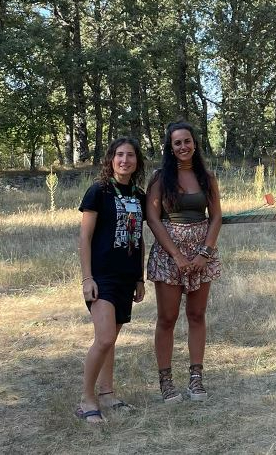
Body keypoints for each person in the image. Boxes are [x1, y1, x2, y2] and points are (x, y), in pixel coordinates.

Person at [146, 121, 223, 402]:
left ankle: (196, 378)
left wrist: (205, 253)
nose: (182, 147)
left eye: (187, 141)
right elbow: (153, 218)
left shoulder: (207, 176)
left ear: (194, 143)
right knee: (167, 318)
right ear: (170, 147)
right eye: (177, 143)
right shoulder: (159, 178)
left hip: (201, 252)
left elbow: (216, 216)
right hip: (169, 254)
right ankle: (166, 381)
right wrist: (177, 255)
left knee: (196, 315)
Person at [76, 137, 147, 424]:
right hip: (101, 277)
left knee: (111, 339)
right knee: (104, 337)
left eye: (130, 155)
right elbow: (85, 237)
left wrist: (139, 278)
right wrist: (87, 277)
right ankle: (86, 399)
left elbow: (139, 238)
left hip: (127, 277)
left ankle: (107, 393)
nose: (125, 160)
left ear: (137, 162)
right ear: (111, 159)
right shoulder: (98, 192)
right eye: (119, 155)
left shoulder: (139, 195)